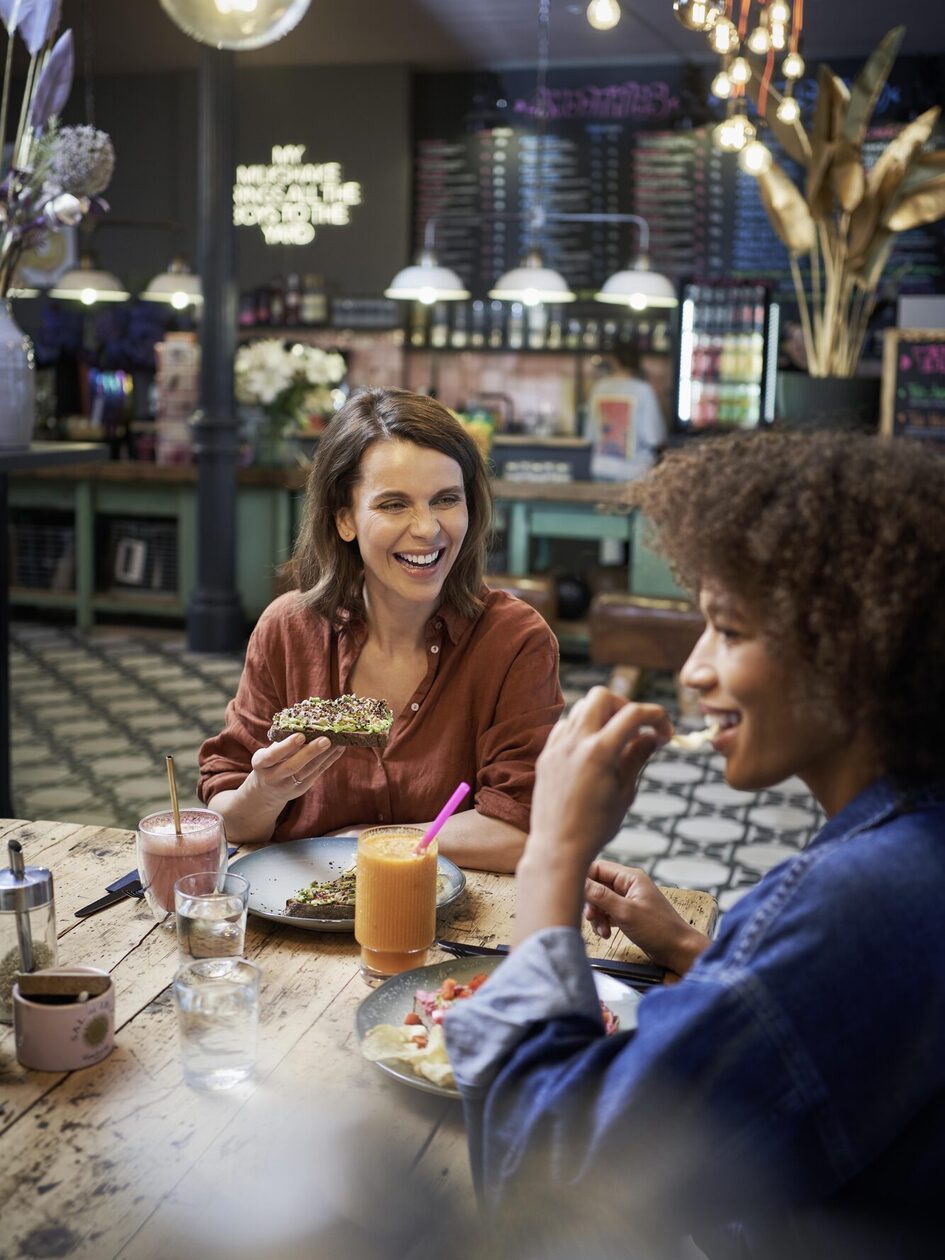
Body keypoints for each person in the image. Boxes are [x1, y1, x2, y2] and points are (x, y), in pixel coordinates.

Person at [445, 431, 945, 1257]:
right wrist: (692, 949)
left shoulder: (863, 898)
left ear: (856, 646)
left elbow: (546, 1183)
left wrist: (553, 853)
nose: (692, 671)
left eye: (728, 629)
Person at [198, 388, 563, 872]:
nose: (427, 528)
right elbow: (229, 817)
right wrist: (264, 792)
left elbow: (523, 829)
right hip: (298, 909)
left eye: (446, 499)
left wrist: (369, 842)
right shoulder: (287, 630)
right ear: (345, 519)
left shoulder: (515, 641)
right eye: (393, 504)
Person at [587, 342, 667, 483]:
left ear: (615, 361)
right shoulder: (643, 390)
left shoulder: (599, 388)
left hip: (602, 467)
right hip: (634, 471)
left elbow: (590, 435)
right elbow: (654, 437)